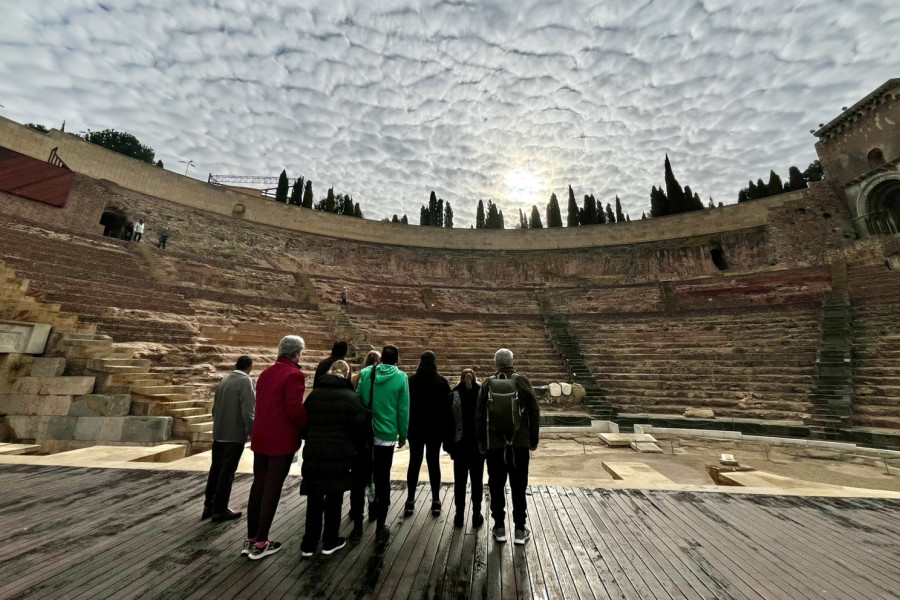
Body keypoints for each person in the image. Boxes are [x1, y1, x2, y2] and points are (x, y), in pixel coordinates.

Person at [245, 335, 308, 561]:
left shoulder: (265, 373)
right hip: (280, 441)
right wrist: (308, 426)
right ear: (297, 353)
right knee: (272, 487)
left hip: (261, 438)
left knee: (258, 485)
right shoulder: (294, 375)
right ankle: (262, 542)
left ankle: (251, 538)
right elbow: (294, 410)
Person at [299, 360, 366, 557]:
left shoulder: (314, 395)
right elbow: (358, 429)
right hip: (339, 454)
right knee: (335, 496)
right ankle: (330, 541)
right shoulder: (350, 397)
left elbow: (304, 422)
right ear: (346, 375)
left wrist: (311, 439)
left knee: (314, 497)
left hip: (314, 452)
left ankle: (309, 544)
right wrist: (358, 449)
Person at [476, 348, 540, 546]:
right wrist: (533, 439)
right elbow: (534, 411)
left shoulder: (487, 383)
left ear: (496, 363)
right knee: (519, 485)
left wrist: (481, 441)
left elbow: (479, 415)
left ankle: (500, 527)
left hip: (495, 444)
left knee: (496, 485)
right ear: (512, 361)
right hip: (519, 444)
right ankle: (520, 529)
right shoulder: (522, 381)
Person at [356, 344, 409, 541]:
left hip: (366, 434)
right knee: (382, 478)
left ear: (381, 358)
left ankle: (358, 526)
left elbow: (359, 398)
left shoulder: (366, 372)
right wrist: (403, 436)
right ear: (396, 360)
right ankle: (380, 527)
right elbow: (403, 410)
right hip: (386, 436)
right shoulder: (401, 377)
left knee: (364, 475)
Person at [203, 356, 255, 522]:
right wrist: (252, 432)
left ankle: (209, 505)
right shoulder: (245, 381)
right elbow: (248, 412)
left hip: (219, 433)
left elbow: (214, 408)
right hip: (234, 435)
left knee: (216, 470)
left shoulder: (224, 381)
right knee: (227, 473)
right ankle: (220, 509)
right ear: (250, 367)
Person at [405, 351, 451, 516]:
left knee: (414, 462)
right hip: (435, 430)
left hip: (415, 428)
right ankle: (436, 500)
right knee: (433, 462)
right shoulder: (442, 382)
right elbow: (448, 410)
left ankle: (410, 500)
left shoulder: (410, 381)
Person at [445, 368, 485, 528]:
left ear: (460, 378)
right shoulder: (482, 394)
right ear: (475, 378)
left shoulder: (453, 395)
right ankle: (476, 514)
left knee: (460, 482)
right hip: (477, 447)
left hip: (459, 446)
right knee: (477, 482)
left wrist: (449, 447)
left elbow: (447, 425)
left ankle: (459, 515)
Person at [348, 349, 379, 537]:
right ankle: (373, 507)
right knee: (372, 474)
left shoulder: (356, 378)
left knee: (356, 475)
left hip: (356, 432)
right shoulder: (379, 378)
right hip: (373, 430)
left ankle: (355, 511)